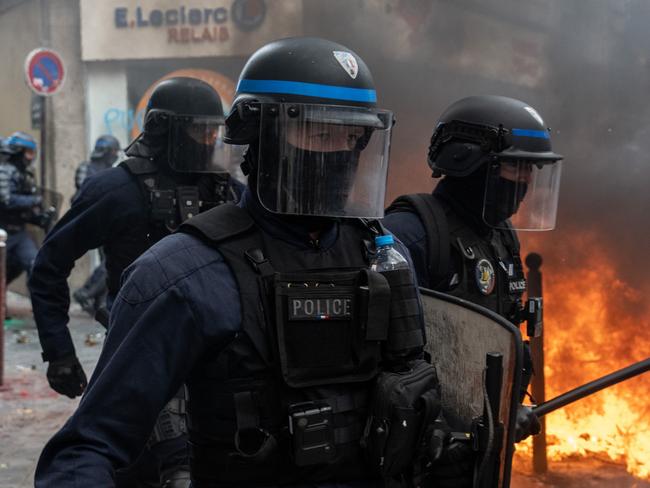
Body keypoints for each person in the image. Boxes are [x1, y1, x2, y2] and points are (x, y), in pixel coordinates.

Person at [35, 37, 472, 488]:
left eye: (353, 136)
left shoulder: (386, 255)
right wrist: (61, 354)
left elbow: (412, 388)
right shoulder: (183, 275)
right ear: (261, 137)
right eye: (322, 134)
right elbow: (87, 447)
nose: (343, 153)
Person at [29, 77, 243, 487]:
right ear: (166, 129)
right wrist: (59, 351)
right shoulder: (115, 189)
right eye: (199, 130)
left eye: (213, 131)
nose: (209, 140)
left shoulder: (223, 189)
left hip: (217, 356)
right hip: (138, 354)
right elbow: (49, 266)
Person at [383, 95, 564, 442]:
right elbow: (389, 364)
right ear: (469, 162)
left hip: (480, 449)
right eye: (515, 167)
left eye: (531, 170)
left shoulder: (501, 236)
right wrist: (447, 427)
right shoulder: (411, 234)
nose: (524, 182)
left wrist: (505, 408)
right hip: (425, 448)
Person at [71, 134, 121, 316]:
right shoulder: (86, 168)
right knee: (108, 262)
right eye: (114, 151)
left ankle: (99, 302)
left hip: (108, 221)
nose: (116, 155)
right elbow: (84, 193)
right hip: (93, 221)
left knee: (108, 262)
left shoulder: (111, 170)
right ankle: (86, 291)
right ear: (107, 152)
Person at [0, 131, 51, 284]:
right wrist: (33, 200)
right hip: (2, 231)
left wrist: (38, 218)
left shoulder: (25, 174)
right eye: (29, 152)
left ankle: (40, 307)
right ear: (18, 152)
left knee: (34, 264)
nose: (31, 157)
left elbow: (24, 205)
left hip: (19, 232)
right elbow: (6, 200)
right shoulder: (4, 171)